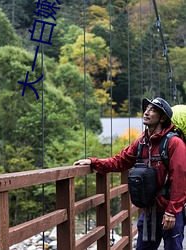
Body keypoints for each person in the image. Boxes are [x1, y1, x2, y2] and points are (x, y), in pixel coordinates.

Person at [73, 97, 186, 250]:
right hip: (149, 211)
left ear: (163, 118)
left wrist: (172, 212)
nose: (146, 112)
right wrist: (93, 162)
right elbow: (120, 161)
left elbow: (180, 178)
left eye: (152, 110)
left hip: (169, 211)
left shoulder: (174, 143)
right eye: (146, 109)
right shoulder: (141, 143)